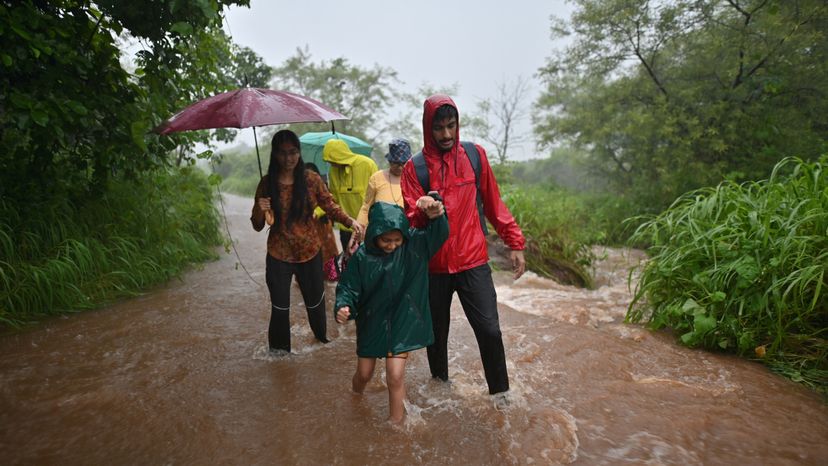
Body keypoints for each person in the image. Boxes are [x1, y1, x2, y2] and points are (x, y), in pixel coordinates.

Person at [400, 94, 526, 400]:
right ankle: (440, 391)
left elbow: (494, 204)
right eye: (439, 128)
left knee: (490, 331)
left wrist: (514, 241)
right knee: (436, 337)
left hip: (473, 261)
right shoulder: (414, 167)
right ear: (428, 129)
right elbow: (409, 218)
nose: (446, 134)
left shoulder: (474, 156)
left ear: (457, 124)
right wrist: (423, 210)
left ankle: (501, 396)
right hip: (433, 267)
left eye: (451, 126)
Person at [335, 196, 448, 423]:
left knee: (395, 376)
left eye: (397, 240)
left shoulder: (413, 246)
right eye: (386, 240)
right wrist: (343, 306)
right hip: (371, 321)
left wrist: (437, 216)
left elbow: (439, 234)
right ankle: (355, 394)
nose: (392, 245)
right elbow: (348, 286)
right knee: (364, 374)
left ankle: (395, 427)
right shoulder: (362, 257)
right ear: (375, 233)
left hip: (402, 320)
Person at [251, 130, 364, 353]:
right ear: (274, 154)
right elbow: (257, 225)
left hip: (310, 253)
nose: (288, 158)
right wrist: (259, 207)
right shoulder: (266, 184)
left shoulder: (310, 180)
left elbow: (330, 206)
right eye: (282, 153)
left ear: (299, 153)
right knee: (280, 308)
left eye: (293, 152)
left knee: (315, 305)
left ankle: (321, 342)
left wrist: (351, 221)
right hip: (278, 255)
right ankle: (279, 356)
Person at [322, 138, 378, 253]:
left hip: (367, 227)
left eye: (332, 160)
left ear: (341, 155)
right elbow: (333, 199)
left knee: (370, 262)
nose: (331, 163)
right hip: (346, 227)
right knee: (349, 263)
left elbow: (378, 195)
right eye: (329, 161)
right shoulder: (333, 171)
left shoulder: (367, 164)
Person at [356, 138, 413, 228]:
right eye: (396, 163)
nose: (400, 167)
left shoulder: (414, 178)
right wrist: (360, 227)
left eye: (404, 163)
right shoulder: (377, 178)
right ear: (389, 161)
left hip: (407, 230)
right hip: (381, 231)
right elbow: (366, 207)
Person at [305, 162, 339, 267]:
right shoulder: (298, 188)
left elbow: (331, 202)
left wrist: (319, 211)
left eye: (313, 172)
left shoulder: (324, 185)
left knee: (328, 250)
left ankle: (330, 274)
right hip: (308, 226)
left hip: (323, 225)